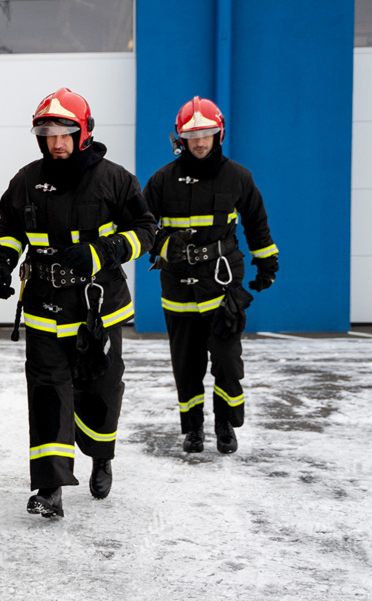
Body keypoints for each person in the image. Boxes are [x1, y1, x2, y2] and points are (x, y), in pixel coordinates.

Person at [0, 88, 156, 518]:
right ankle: (50, 488)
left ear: (83, 132)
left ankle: (101, 455)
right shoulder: (26, 179)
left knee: (99, 390)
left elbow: (147, 230)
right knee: (46, 394)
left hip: (98, 309)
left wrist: (104, 251)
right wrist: (0, 263)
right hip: (44, 305)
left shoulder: (115, 179)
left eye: (64, 133)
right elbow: (10, 229)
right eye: (47, 134)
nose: (55, 143)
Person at [142, 96, 279, 455]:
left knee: (228, 362)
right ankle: (194, 429)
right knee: (186, 365)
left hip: (223, 285)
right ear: (180, 139)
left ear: (219, 134)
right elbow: (139, 227)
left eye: (207, 133)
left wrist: (267, 264)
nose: (200, 141)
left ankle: (224, 424)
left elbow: (257, 225)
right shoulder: (161, 181)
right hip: (178, 286)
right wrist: (162, 245)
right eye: (192, 135)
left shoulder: (238, 177)